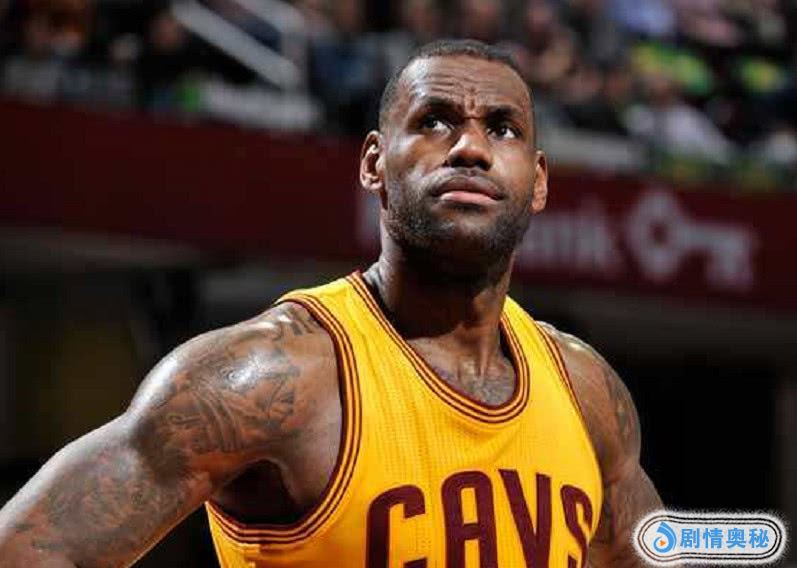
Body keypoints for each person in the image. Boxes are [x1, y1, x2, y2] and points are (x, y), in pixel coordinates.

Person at [0, 39, 663, 567]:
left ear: (538, 181)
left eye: (503, 128)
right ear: (374, 163)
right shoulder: (268, 377)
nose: (470, 147)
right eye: (433, 122)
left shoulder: (584, 389)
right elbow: (31, 548)